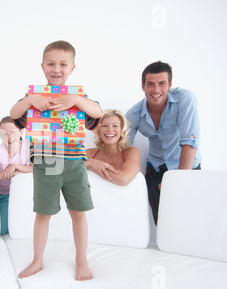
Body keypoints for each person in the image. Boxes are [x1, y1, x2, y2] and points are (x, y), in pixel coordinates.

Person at [10, 40, 102, 281]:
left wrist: (76, 101)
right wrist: (30, 100)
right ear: (42, 67)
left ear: (72, 68)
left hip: (74, 164)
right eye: (51, 64)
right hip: (45, 162)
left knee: (78, 212)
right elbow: (14, 114)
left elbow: (97, 113)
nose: (56, 69)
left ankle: (81, 260)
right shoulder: (34, 96)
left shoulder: (79, 97)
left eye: (63, 64)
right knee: (43, 213)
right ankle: (37, 260)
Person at [126, 61, 201, 225]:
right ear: (143, 86)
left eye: (162, 84)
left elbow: (190, 141)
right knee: (164, 226)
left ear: (170, 84)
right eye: (150, 84)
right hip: (156, 170)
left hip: (187, 168)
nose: (156, 90)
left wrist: (177, 180)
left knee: (191, 223)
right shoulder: (133, 114)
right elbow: (124, 151)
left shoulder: (185, 99)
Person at [0, 116, 33, 236]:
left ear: (21, 132)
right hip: (0, 194)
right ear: (0, 136)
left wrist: (15, 166)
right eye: (4, 134)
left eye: (13, 132)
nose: (9, 137)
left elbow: (37, 169)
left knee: (24, 225)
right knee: (2, 229)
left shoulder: (28, 147)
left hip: (20, 194)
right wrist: (4, 175)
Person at [86, 109, 140, 186]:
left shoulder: (132, 152)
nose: (110, 130)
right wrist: (91, 162)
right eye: (104, 125)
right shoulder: (89, 153)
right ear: (98, 130)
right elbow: (68, 168)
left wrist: (91, 165)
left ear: (122, 130)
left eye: (115, 126)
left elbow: (123, 180)